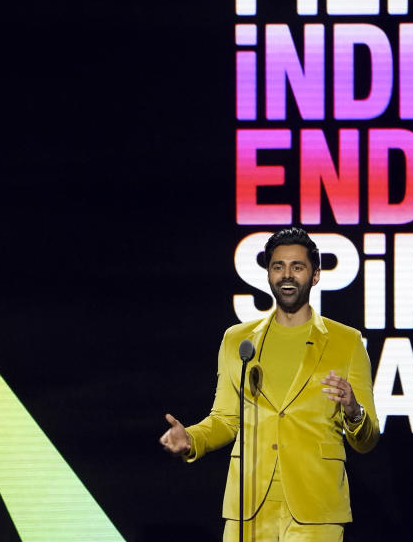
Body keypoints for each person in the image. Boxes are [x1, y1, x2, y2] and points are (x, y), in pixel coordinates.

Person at [159, 227, 379, 541]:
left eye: (297, 267)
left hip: (315, 507)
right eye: (278, 266)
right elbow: (226, 418)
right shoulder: (237, 340)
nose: (287, 275)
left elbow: (368, 439)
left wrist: (354, 410)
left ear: (315, 276)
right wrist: (191, 439)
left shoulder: (347, 342)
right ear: (268, 274)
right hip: (249, 502)